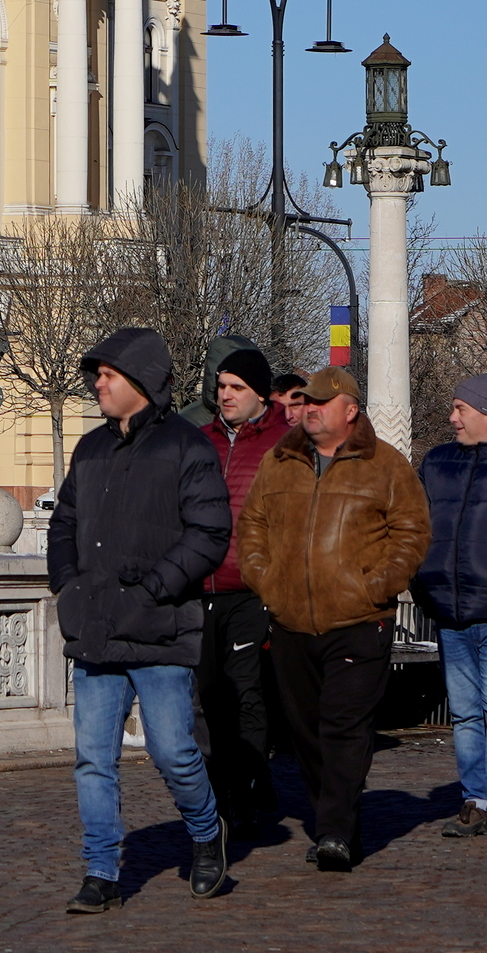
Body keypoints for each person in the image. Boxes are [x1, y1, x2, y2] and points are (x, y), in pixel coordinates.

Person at [47, 327, 233, 913]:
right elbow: (63, 523)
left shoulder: (187, 446)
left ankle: (206, 833)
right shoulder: (90, 448)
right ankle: (101, 871)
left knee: (173, 751)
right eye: (96, 373)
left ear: (142, 383)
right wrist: (68, 587)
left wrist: (155, 587)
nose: (97, 383)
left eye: (108, 374)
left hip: (160, 629)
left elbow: (210, 533)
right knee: (92, 758)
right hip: (97, 629)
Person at [237, 367, 431, 873]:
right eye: (305, 402)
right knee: (306, 731)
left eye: (321, 403)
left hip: (360, 620)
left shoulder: (386, 465)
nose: (309, 410)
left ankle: (335, 831)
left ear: (351, 410)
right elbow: (253, 524)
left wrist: (377, 585)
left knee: (345, 725)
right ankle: (338, 816)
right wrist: (266, 579)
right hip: (291, 620)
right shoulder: (281, 462)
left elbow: (411, 532)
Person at [413, 373, 487, 843]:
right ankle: (475, 799)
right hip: (449, 608)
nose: (452, 418)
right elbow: (414, 525)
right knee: (463, 711)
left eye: (460, 408)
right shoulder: (437, 462)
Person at [197, 347, 290, 829]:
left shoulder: (284, 443)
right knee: (207, 693)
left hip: (252, 588)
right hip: (199, 587)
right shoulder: (200, 441)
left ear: (259, 394)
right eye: (222, 387)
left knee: (246, 690)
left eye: (237, 388)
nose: (226, 396)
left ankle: (247, 787)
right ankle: (214, 788)